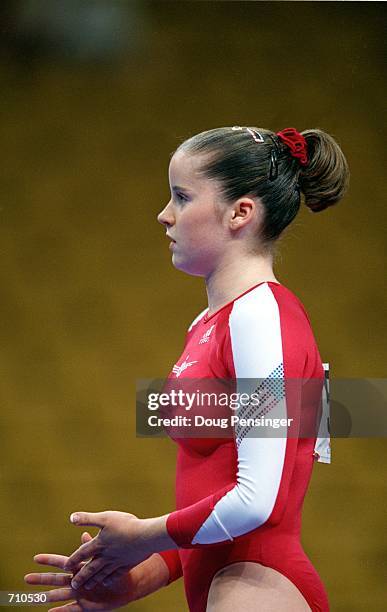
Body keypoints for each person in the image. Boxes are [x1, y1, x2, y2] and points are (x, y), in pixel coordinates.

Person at [24, 125, 349, 611]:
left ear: (241, 213)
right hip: (224, 580)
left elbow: (260, 504)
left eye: (181, 196)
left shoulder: (262, 318)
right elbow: (217, 497)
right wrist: (140, 576)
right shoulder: (210, 322)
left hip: (259, 586)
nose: (164, 214)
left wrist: (143, 535)